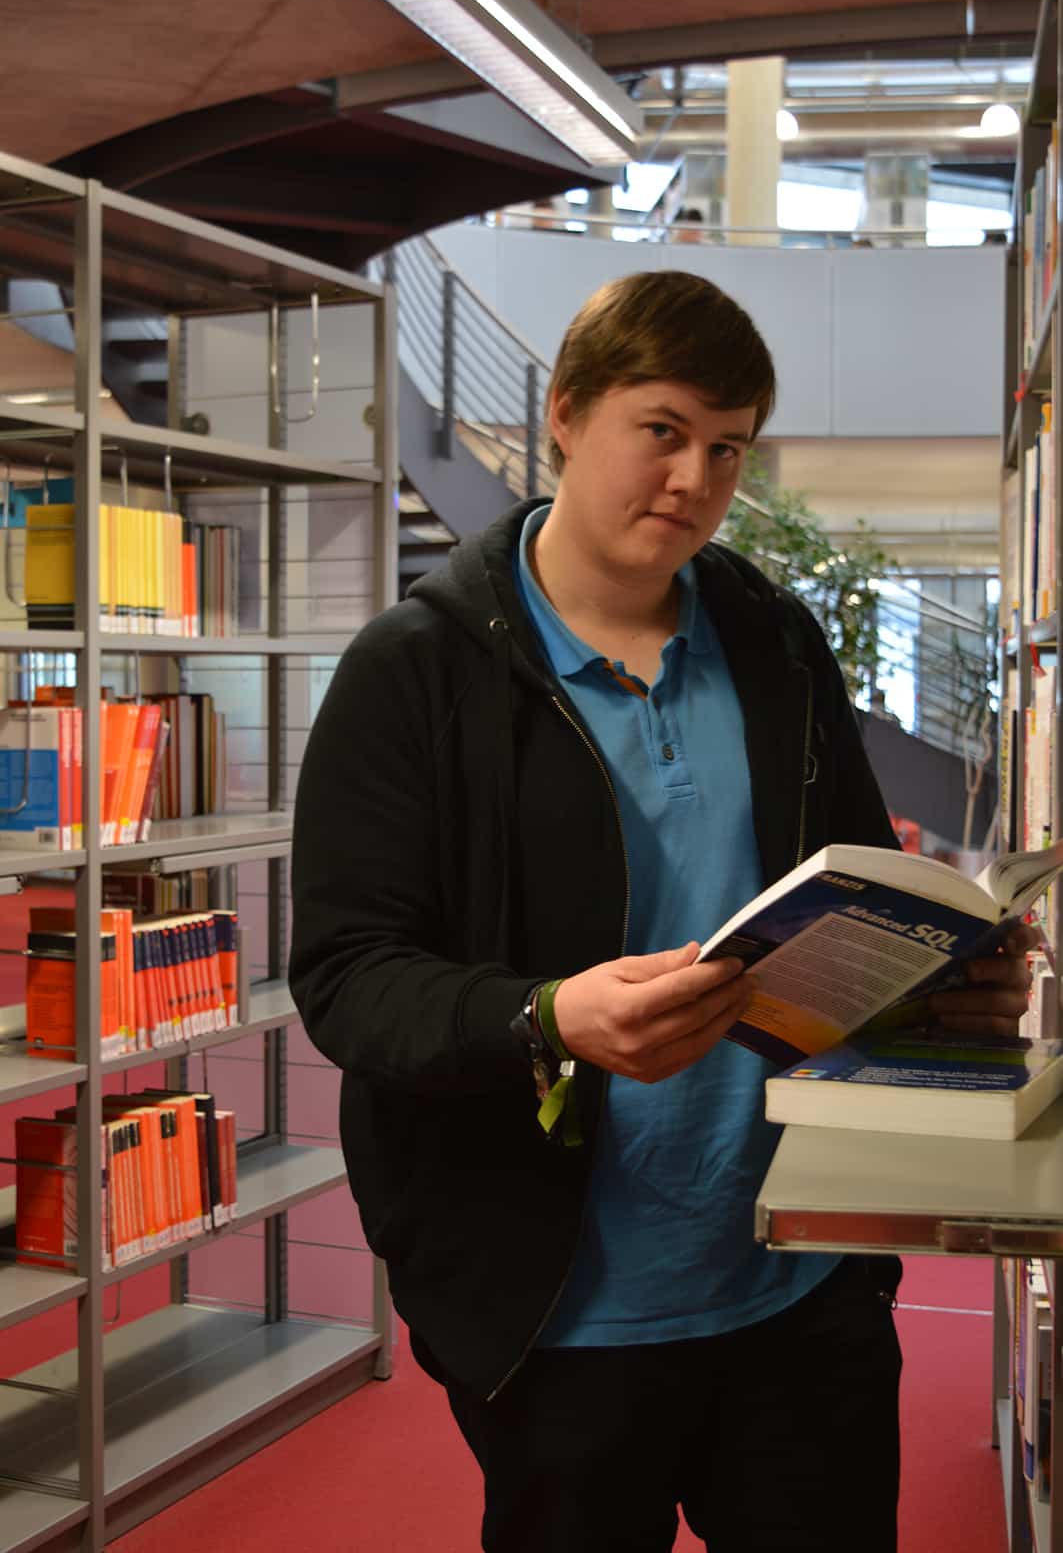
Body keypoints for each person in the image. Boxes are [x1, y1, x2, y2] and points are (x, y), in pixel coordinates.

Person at [289, 270, 1032, 1553]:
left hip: (802, 1269)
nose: (694, 476)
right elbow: (349, 978)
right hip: (558, 1303)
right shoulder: (412, 672)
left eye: (727, 447)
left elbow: (852, 895)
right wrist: (546, 1016)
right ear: (567, 415)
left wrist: (949, 979)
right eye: (663, 429)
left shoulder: (774, 640)